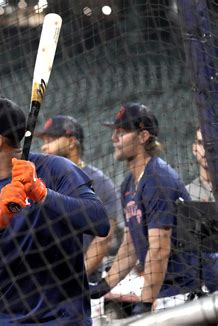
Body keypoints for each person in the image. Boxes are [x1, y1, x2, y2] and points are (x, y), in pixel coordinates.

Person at [0, 95, 110, 325]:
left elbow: (100, 222)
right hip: (4, 320)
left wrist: (42, 193)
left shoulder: (55, 169)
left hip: (64, 321)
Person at [90, 103, 198, 314]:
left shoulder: (158, 179)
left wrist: (146, 302)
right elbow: (130, 244)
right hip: (165, 291)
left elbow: (159, 248)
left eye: (121, 132)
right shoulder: (128, 184)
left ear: (143, 136)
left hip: (186, 291)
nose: (114, 138)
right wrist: (105, 285)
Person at [35, 115, 121, 283]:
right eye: (44, 140)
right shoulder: (40, 182)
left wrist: (75, 279)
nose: (44, 146)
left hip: (83, 282)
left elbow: (104, 239)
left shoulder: (100, 183)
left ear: (72, 141)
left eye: (51, 139)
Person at [185, 126, 218, 293]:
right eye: (200, 143)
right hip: (203, 285)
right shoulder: (187, 194)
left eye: (211, 144)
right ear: (194, 148)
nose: (205, 150)